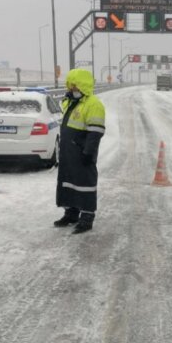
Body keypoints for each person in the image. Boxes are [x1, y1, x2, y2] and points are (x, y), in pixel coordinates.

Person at [54, 69, 106, 234]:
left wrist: (88, 152)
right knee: (68, 182)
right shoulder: (69, 101)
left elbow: (95, 132)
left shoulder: (93, 104)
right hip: (68, 152)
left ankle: (87, 217)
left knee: (85, 185)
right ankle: (71, 213)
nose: (71, 89)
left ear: (83, 86)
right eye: (70, 86)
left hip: (82, 152)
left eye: (74, 86)